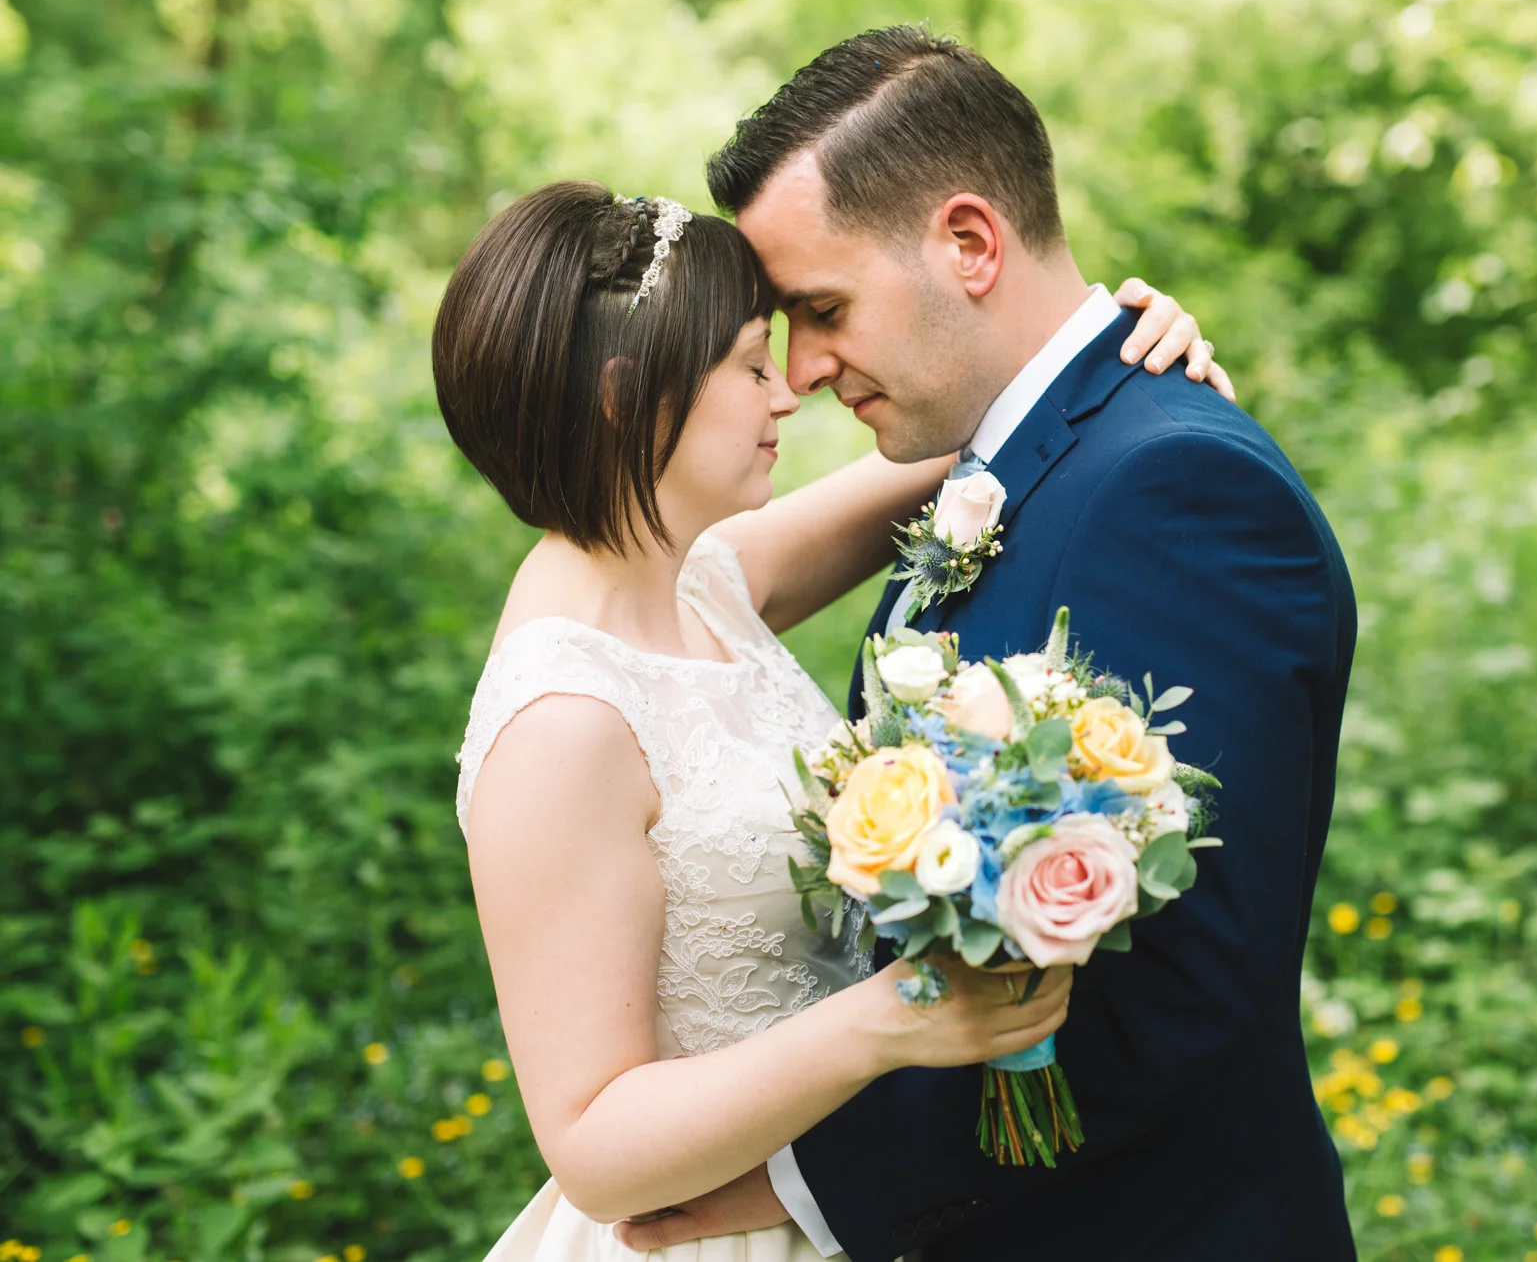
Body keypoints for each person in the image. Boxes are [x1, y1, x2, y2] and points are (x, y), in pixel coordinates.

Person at [616, 26, 1357, 1262]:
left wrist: (795, 1184)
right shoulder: (1002, 464)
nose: (802, 370)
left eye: (822, 307)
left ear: (968, 243)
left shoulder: (1171, 486)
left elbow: (1177, 990)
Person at [436, 178, 1228, 1260]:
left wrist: (1115, 344)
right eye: (750, 366)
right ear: (628, 399)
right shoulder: (564, 722)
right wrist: (888, 1020)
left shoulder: (700, 578)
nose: (786, 393)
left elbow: (965, 446)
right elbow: (591, 1142)